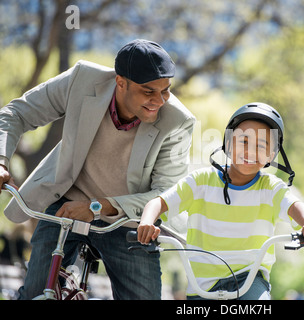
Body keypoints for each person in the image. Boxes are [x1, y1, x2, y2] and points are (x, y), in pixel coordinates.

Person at [0, 39, 196, 299]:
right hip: (66, 207)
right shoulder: (82, 79)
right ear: (121, 82)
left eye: (166, 90)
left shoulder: (178, 121)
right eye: (149, 91)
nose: (159, 100)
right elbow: (17, 113)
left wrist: (97, 207)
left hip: (129, 221)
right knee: (36, 293)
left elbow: (166, 193)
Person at [138, 102, 304, 300]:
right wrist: (147, 222)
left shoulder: (270, 188)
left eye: (261, 145)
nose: (250, 151)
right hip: (202, 285)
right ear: (227, 143)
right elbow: (158, 203)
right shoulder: (200, 181)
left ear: (272, 155)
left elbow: (295, 206)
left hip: (250, 280)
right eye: (243, 141)